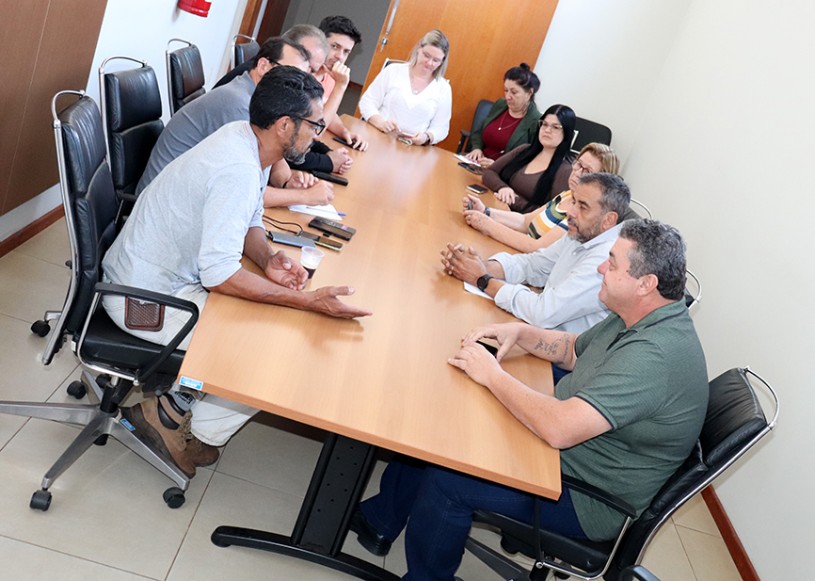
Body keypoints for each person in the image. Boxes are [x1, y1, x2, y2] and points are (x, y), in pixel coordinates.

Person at [351, 219, 708, 581]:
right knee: (453, 423)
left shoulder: (655, 356)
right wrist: (520, 333)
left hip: (584, 495)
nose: (601, 267)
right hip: (572, 447)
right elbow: (572, 350)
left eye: (612, 263)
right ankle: (381, 520)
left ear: (646, 284)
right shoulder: (639, 314)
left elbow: (559, 429)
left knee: (448, 477)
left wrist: (493, 375)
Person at [103, 67, 372, 479]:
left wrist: (268, 258)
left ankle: (184, 418)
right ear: (285, 126)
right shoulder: (238, 168)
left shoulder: (249, 142)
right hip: (139, 299)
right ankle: (172, 416)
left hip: (159, 277)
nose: (317, 134)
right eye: (315, 125)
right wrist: (305, 300)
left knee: (267, 322)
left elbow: (249, 218)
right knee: (269, 342)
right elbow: (221, 276)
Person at [135, 38, 335, 208]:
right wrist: (304, 197)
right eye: (289, 76)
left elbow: (273, 162)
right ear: (263, 66)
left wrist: (287, 182)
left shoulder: (257, 99)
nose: (298, 90)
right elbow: (242, 192)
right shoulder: (238, 104)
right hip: (163, 205)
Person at [441, 172, 630, 333]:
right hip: (536, 332)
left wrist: (482, 280)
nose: (570, 212)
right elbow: (535, 265)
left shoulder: (607, 259)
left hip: (553, 357)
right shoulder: (583, 232)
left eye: (583, 206)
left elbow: (544, 313)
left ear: (608, 220)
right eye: (573, 201)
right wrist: (482, 266)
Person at [464, 143, 621, 253]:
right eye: (578, 164)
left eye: (587, 171)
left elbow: (536, 247)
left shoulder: (581, 215)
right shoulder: (567, 194)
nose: (577, 173)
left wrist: (488, 225)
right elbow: (525, 221)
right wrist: (486, 211)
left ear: (601, 182)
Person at [358, 29, 452, 145]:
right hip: (378, 137)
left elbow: (441, 127)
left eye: (436, 60)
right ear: (419, 48)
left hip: (411, 148)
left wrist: (426, 137)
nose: (429, 63)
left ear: (442, 61)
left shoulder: (443, 88)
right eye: (426, 55)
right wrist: (380, 122)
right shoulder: (393, 71)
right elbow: (367, 101)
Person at [482, 104, 576, 213]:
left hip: (515, 220)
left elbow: (548, 214)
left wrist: (513, 199)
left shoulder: (566, 172)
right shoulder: (524, 149)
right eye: (544, 124)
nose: (547, 130)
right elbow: (490, 172)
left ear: (567, 133)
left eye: (555, 127)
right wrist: (502, 188)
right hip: (492, 206)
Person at [464, 63, 541, 167]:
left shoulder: (536, 121)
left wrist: (497, 166)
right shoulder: (500, 104)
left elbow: (528, 160)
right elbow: (479, 132)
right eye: (506, 90)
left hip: (502, 172)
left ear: (529, 93)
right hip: (477, 164)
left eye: (514, 92)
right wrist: (476, 148)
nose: (508, 96)